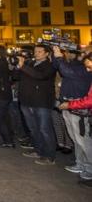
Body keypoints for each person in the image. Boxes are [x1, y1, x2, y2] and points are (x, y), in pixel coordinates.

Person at [15, 45, 57, 165]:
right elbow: (15, 77)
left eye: (39, 51)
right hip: (26, 101)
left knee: (44, 129)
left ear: (47, 54)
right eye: (35, 51)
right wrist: (18, 67)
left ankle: (50, 156)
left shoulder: (50, 65)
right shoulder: (30, 64)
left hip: (41, 102)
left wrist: (23, 66)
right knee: (33, 129)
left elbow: (40, 76)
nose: (36, 53)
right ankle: (39, 150)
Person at [55, 49, 92, 181]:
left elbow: (67, 71)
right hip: (69, 105)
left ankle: (89, 168)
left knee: (83, 140)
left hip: (79, 109)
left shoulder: (84, 70)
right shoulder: (78, 66)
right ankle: (80, 163)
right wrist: (58, 56)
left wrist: (59, 57)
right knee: (75, 139)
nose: (83, 54)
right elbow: (63, 68)